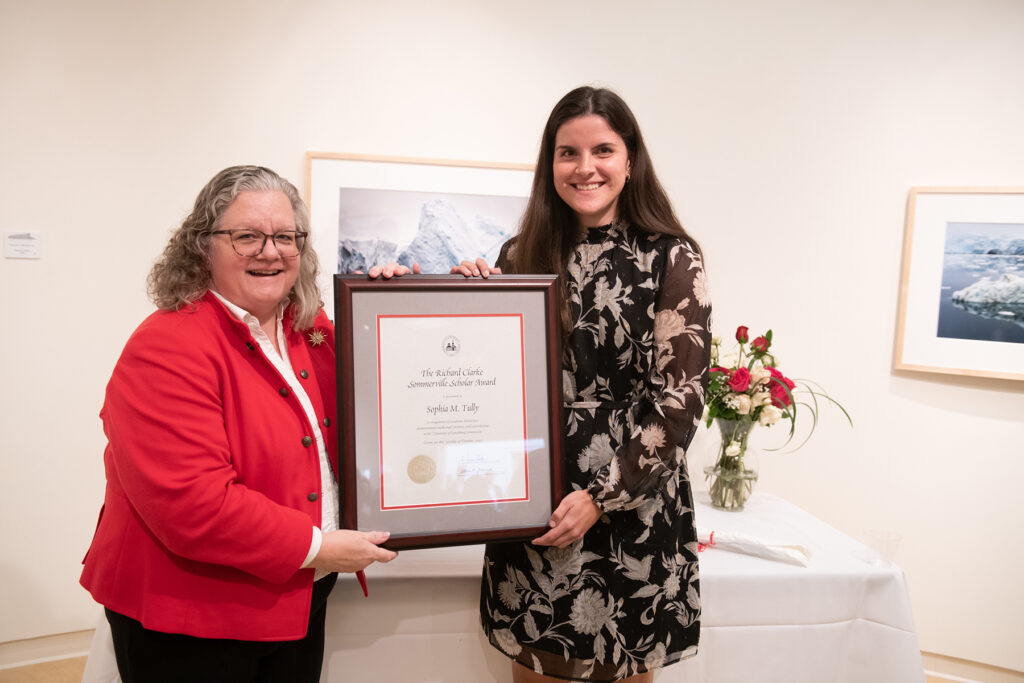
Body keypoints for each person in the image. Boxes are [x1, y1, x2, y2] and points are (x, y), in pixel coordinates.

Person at [79, 165, 413, 683]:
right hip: (193, 618)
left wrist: (409, 301)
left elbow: (387, 398)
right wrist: (320, 548)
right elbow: (194, 505)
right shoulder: (166, 346)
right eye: (247, 236)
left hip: (299, 595)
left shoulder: (309, 329)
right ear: (203, 246)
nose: (270, 251)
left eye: (285, 236)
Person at [453, 86, 712, 682]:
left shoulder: (672, 257)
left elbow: (680, 402)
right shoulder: (519, 254)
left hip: (632, 507)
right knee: (535, 672)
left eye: (602, 150)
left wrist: (600, 498)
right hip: (537, 503)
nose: (584, 167)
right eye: (567, 152)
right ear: (550, 164)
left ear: (630, 160)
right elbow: (493, 381)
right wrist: (463, 298)